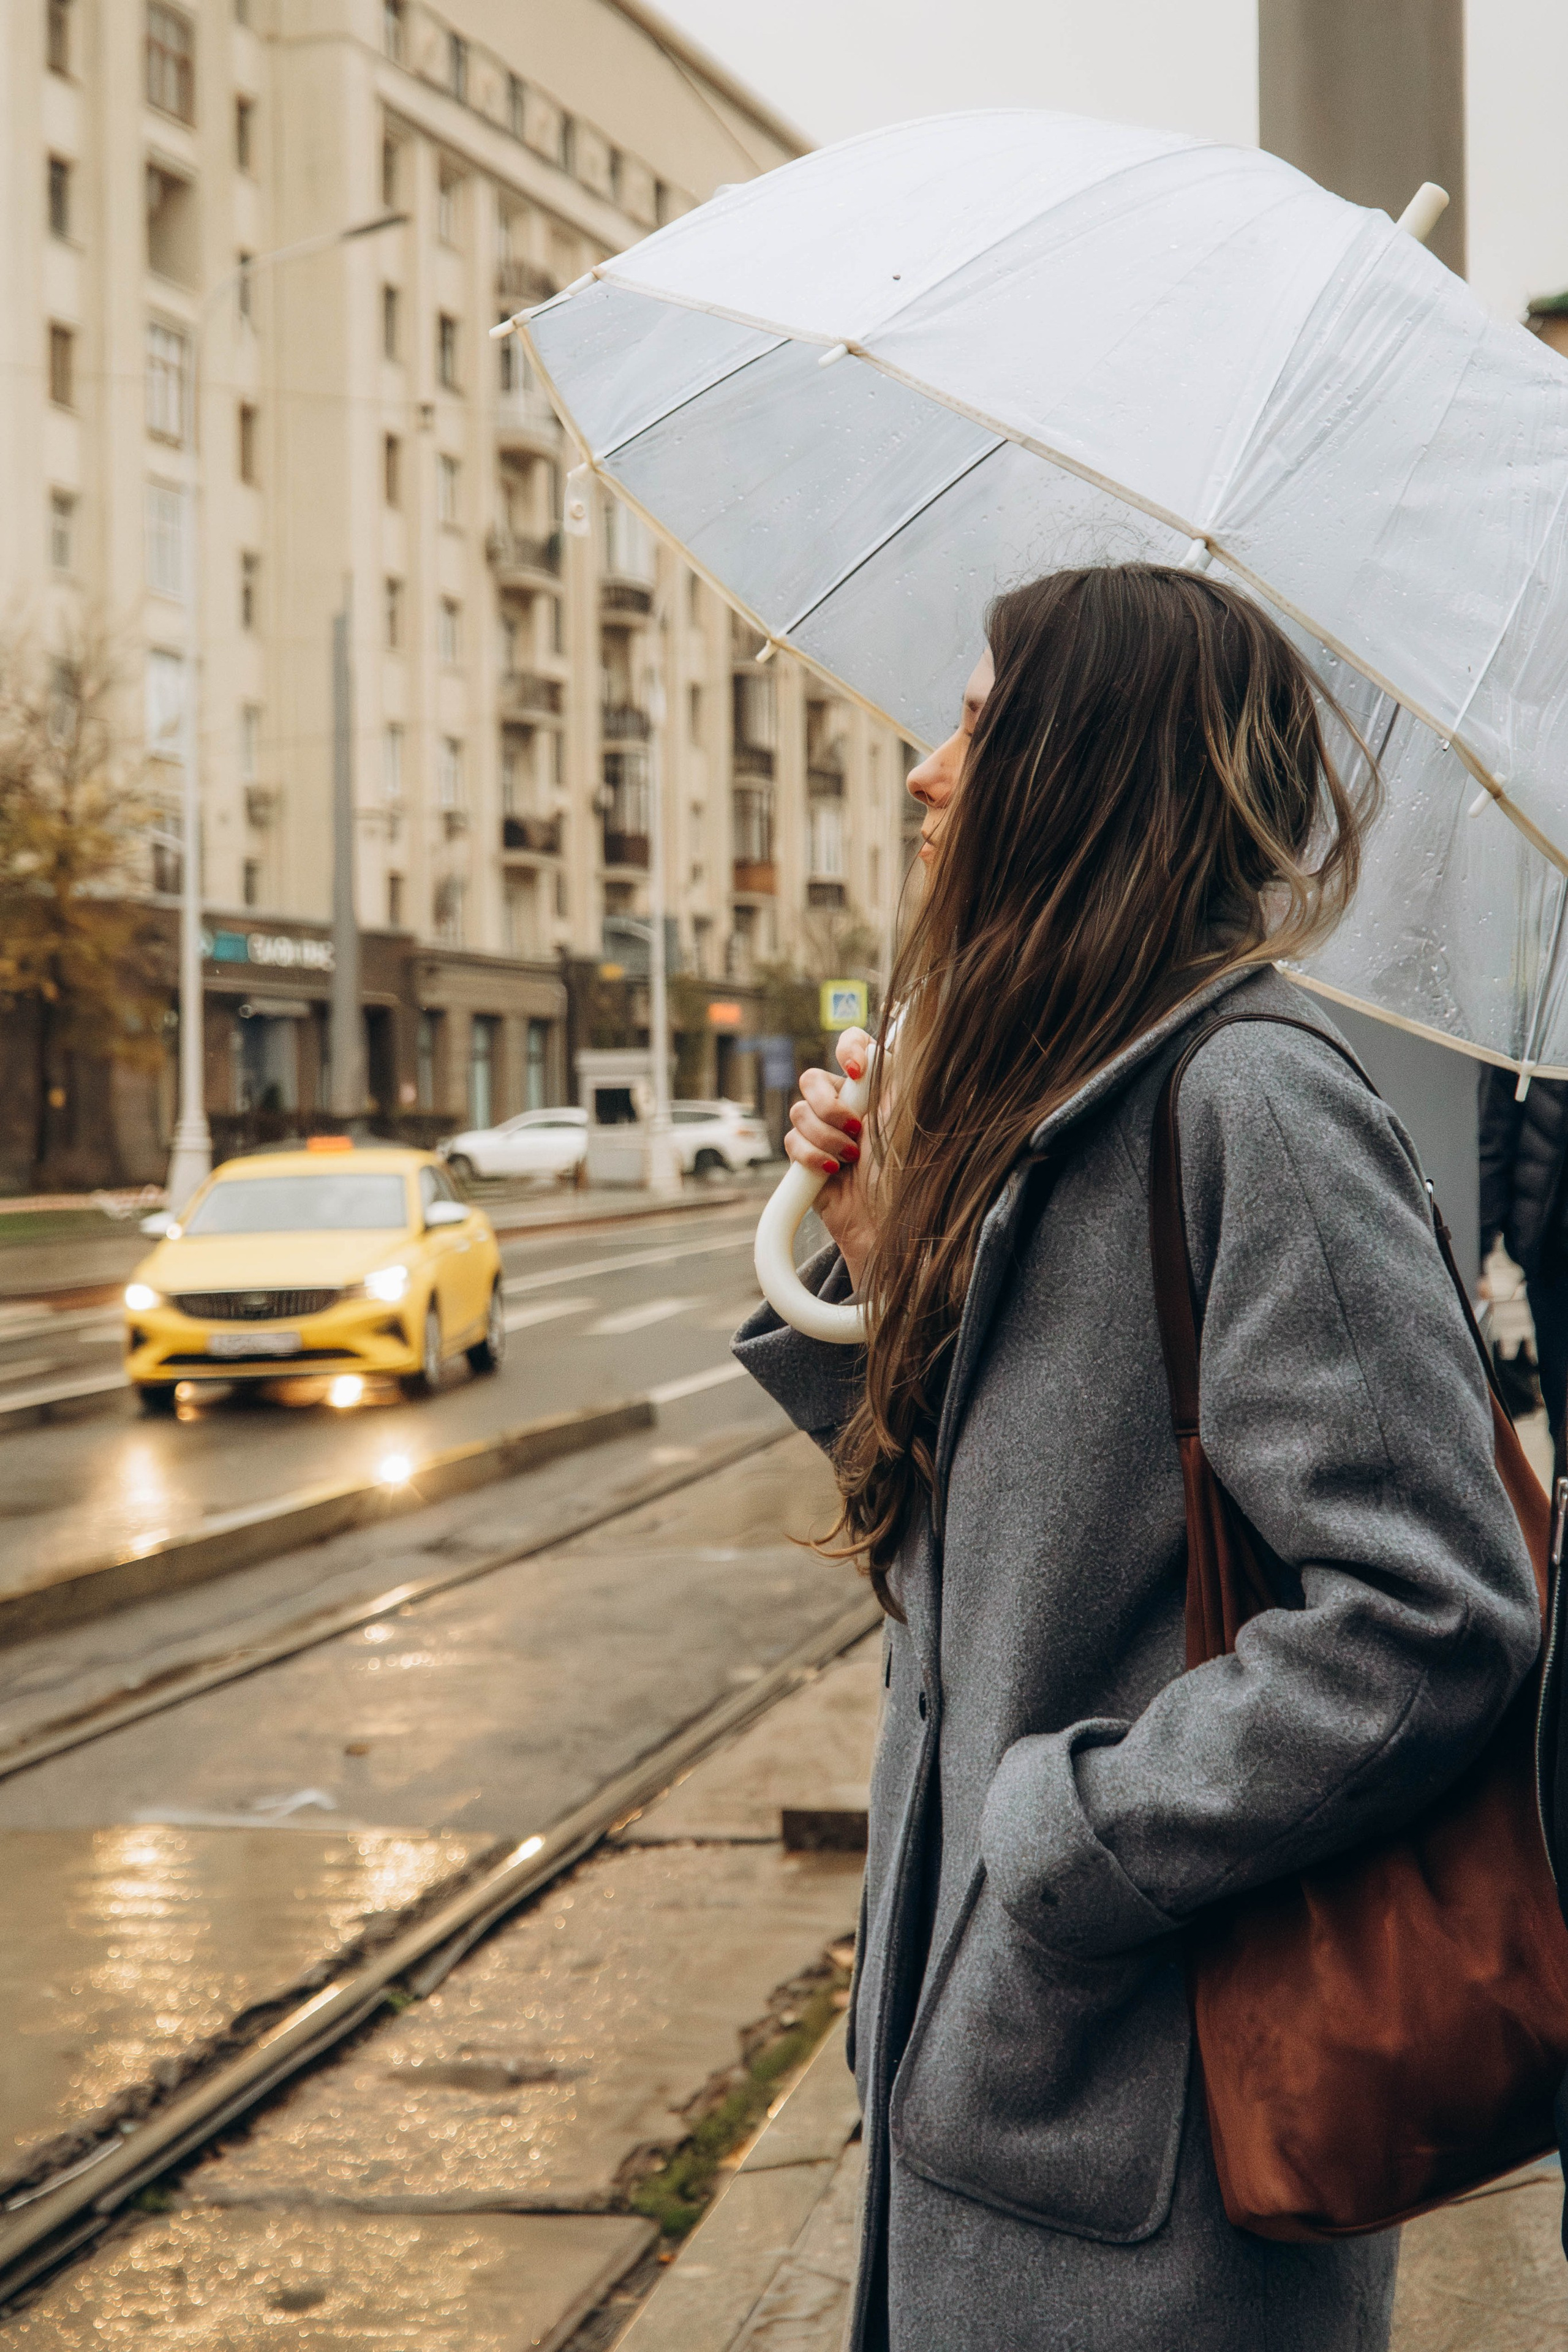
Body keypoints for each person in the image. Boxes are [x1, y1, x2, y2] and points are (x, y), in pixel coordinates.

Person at [733, 566, 1538, 2352]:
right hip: (1000, 2097)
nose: (928, 775)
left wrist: (1064, 1841)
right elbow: (994, 1553)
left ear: (1079, 768)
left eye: (972, 723)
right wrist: (882, 1258)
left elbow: (1432, 1611)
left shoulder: (1248, 1097)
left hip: (1148, 2154)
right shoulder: (1064, 1102)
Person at [1479, 1065, 1568, 1466]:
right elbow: (1495, 1137)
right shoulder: (1537, 1022)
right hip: (1554, 1255)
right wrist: (1475, 1249)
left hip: (1549, 1248)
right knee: (1564, 1422)